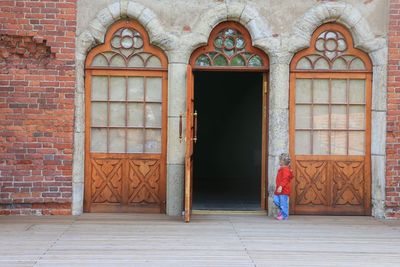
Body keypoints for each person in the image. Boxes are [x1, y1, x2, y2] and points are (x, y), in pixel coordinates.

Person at [273, 153, 293, 220]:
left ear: (283, 162)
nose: (279, 161)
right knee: (276, 200)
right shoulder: (283, 169)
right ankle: (282, 211)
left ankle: (284, 215)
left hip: (284, 190)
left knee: (283, 203)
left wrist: (281, 186)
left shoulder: (286, 170)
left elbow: (285, 179)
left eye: (280, 160)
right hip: (279, 189)